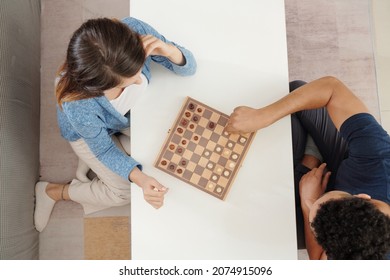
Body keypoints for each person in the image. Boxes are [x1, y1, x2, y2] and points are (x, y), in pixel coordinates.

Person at [34, 17, 197, 232]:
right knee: (126, 191)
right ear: (99, 88)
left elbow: (189, 68)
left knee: (166, 150)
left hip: (124, 117)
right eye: (129, 81)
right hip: (86, 133)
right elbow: (104, 149)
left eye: (139, 66)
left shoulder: (134, 32)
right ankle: (54, 191)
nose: (140, 80)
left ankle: (90, 163)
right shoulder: (79, 105)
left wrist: (168, 51)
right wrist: (139, 179)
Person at [225, 76, 390, 259]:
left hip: (325, 189)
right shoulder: (380, 157)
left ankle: (310, 160)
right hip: (353, 161)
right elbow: (331, 89)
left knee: (261, 223)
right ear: (363, 196)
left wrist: (308, 202)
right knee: (297, 90)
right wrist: (262, 116)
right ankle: (311, 159)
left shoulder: (362, 259)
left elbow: (318, 259)